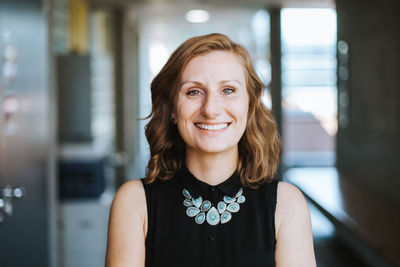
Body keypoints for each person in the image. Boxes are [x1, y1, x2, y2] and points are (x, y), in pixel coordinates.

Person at [106, 33, 316, 267]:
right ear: (172, 108)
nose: (211, 109)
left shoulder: (287, 204)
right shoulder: (134, 202)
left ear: (250, 104)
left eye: (228, 90)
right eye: (194, 91)